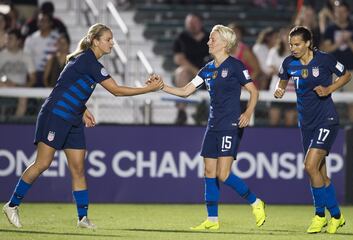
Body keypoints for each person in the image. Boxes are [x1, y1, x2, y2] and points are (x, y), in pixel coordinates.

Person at [2, 23, 163, 229]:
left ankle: (82, 218)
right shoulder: (89, 61)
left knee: (78, 168)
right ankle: (12, 205)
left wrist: (83, 108)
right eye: (108, 39)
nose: (112, 43)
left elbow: (67, 85)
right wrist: (148, 89)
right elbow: (116, 91)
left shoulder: (86, 60)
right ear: (95, 41)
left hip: (73, 118)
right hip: (56, 116)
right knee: (43, 163)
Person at [159, 24, 265, 230]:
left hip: (230, 125)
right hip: (213, 125)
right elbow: (185, 91)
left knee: (223, 174)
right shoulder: (207, 69)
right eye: (209, 38)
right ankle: (212, 219)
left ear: (225, 43)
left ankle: (256, 202)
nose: (209, 42)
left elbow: (254, 91)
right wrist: (162, 86)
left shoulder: (236, 66)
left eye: (212, 39)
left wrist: (247, 113)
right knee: (209, 171)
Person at [274, 26, 351, 234]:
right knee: (319, 174)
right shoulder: (289, 63)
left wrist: (329, 89)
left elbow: (346, 75)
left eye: (297, 44)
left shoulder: (324, 59)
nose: (293, 48)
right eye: (291, 44)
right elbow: (283, 80)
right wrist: (280, 89)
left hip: (326, 119)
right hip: (305, 124)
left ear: (308, 43)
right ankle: (337, 216)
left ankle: (320, 215)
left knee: (309, 166)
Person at [322, 0, 353, 125]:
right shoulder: (330, 29)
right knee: (331, 102)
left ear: (347, 12)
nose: (340, 14)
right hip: (333, 72)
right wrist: (339, 43)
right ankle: (330, 127)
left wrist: (348, 41)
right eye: (338, 12)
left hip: (351, 71)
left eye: (343, 11)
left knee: (352, 103)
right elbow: (326, 49)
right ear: (334, 12)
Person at [0, 29, 36, 117]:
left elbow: (33, 79)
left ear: (18, 41)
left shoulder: (26, 56)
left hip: (20, 87)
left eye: (10, 39)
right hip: (3, 85)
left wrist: (24, 87)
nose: (7, 41)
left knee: (23, 95)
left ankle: (16, 122)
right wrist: (5, 80)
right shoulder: (1, 55)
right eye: (6, 38)